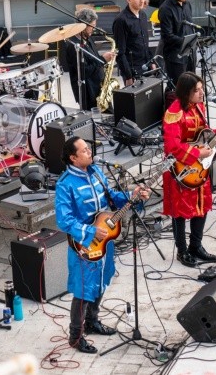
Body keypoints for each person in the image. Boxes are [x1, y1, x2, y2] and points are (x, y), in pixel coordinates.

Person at [55, 136, 150, 353]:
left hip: (104, 241)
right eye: (84, 150)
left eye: (89, 148)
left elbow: (112, 198)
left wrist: (132, 195)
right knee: (82, 289)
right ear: (73, 158)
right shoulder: (65, 184)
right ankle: (75, 336)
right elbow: (64, 220)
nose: (90, 152)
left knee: (101, 281)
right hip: (84, 245)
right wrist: (89, 230)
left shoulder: (97, 172)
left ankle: (92, 321)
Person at [162, 72, 216, 267]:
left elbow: (205, 135)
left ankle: (196, 246)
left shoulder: (199, 107)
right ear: (186, 93)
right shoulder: (174, 113)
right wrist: (196, 153)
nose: (202, 93)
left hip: (198, 166)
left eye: (202, 89)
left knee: (201, 206)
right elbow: (172, 147)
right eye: (197, 91)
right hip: (180, 167)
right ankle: (182, 251)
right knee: (180, 211)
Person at [63, 8, 115, 110]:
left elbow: (94, 60)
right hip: (88, 93)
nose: (94, 29)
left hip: (99, 88)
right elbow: (84, 72)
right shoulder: (73, 46)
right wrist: (103, 60)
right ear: (83, 26)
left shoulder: (88, 38)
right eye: (92, 26)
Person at [113, 0, 154, 87]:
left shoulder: (143, 15)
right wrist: (128, 76)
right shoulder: (121, 20)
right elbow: (120, 52)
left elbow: (145, 43)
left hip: (146, 65)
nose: (142, 1)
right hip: (133, 69)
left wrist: (152, 62)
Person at [159, 0, 196, 85]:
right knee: (178, 87)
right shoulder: (166, 9)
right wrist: (186, 42)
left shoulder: (187, 4)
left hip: (189, 53)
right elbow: (167, 36)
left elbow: (190, 27)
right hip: (175, 56)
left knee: (191, 85)